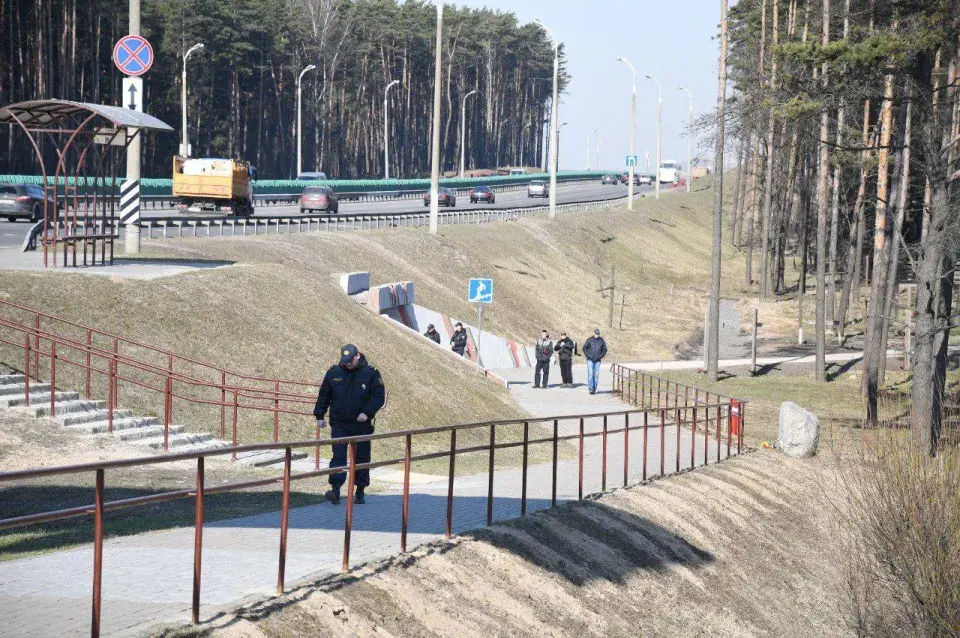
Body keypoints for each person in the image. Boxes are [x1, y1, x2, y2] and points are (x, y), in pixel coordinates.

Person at [313, 344, 386, 505]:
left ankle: (360, 491)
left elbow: (379, 397)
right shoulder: (334, 372)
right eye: (345, 361)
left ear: (357, 356)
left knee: (361, 457)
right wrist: (319, 414)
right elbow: (325, 394)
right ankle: (336, 489)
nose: (347, 364)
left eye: (350, 360)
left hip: (362, 424)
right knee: (338, 456)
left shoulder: (370, 373)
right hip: (340, 423)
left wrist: (366, 413)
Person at [582, 328, 608, 395]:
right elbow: (584, 348)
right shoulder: (589, 340)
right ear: (594, 333)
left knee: (596, 375)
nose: (597, 335)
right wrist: (588, 356)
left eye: (598, 334)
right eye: (596, 334)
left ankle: (594, 388)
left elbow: (605, 349)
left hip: (598, 360)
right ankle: (591, 388)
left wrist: (600, 356)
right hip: (590, 360)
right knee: (590, 374)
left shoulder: (601, 341)